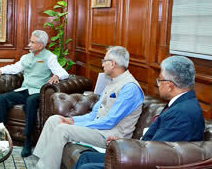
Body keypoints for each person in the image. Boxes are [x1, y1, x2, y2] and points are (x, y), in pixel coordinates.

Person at [73, 55, 205, 169]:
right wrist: (122, 142)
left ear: (170, 85)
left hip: (144, 163)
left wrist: (125, 146)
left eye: (160, 80)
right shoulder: (181, 104)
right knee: (86, 157)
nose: (158, 84)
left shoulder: (183, 114)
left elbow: (157, 153)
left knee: (87, 167)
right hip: (142, 154)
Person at [33, 46, 144, 169]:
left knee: (62, 129)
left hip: (110, 136)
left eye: (104, 61)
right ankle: (38, 162)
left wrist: (75, 125)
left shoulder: (130, 88)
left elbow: (110, 121)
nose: (102, 65)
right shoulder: (112, 82)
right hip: (98, 129)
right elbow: (94, 114)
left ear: (112, 64)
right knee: (54, 120)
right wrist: (73, 120)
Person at [0, 30, 69, 157]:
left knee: (30, 101)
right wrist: (0, 70)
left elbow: (64, 72)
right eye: (30, 41)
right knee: (3, 98)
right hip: (25, 90)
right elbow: (15, 68)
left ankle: (27, 141)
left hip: (38, 92)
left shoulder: (50, 57)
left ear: (40, 45)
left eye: (32, 42)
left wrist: (57, 75)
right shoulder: (26, 57)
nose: (29, 44)